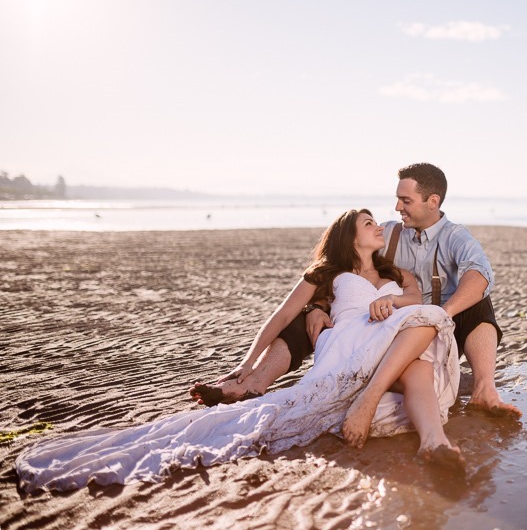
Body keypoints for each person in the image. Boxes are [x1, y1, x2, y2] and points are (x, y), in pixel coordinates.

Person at [16, 209, 463, 493]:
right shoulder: (327, 273)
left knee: (425, 324)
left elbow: (419, 301)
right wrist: (244, 367)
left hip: (395, 330)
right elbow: (279, 318)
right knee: (418, 352)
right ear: (350, 236)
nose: (380, 225)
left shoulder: (397, 271)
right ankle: (401, 421)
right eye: (369, 222)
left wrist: (391, 299)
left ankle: (432, 442)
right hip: (349, 340)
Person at [193, 163, 521, 419]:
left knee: (479, 303)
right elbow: (347, 268)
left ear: (432, 201)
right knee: (309, 319)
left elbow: (479, 275)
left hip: (437, 329)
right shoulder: (389, 235)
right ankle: (251, 383)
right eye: (397, 199)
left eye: (405, 200)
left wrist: (440, 315)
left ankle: (484, 390)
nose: (396, 208)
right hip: (379, 329)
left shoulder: (455, 237)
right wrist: (318, 306)